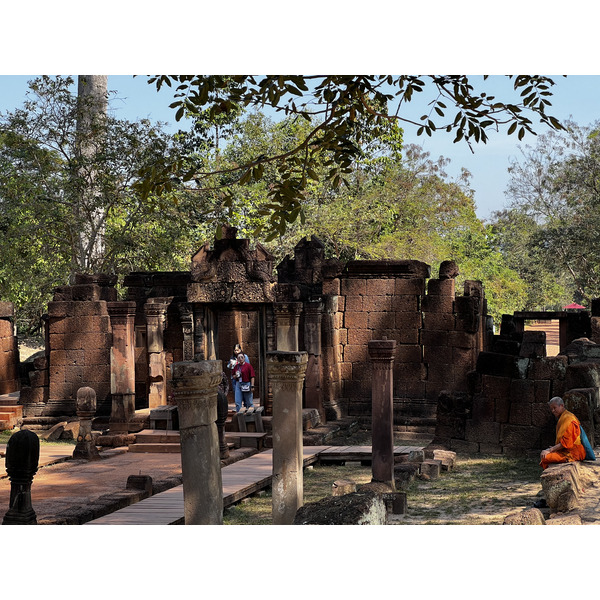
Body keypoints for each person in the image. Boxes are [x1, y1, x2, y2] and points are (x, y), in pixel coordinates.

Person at [540, 396, 586, 470]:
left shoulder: (569, 419)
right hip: (565, 450)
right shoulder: (562, 417)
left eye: (554, 408)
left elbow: (567, 443)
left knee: (545, 457)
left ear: (561, 405)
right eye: (551, 409)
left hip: (573, 453)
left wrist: (550, 450)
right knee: (544, 455)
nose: (553, 411)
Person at [227, 344, 249, 410]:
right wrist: (231, 365)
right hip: (235, 378)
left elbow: (247, 366)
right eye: (235, 350)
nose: (236, 351)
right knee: (236, 393)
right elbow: (228, 366)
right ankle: (238, 407)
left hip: (243, 378)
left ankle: (246, 406)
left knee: (245, 392)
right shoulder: (232, 357)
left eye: (237, 350)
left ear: (240, 350)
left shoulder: (245, 357)